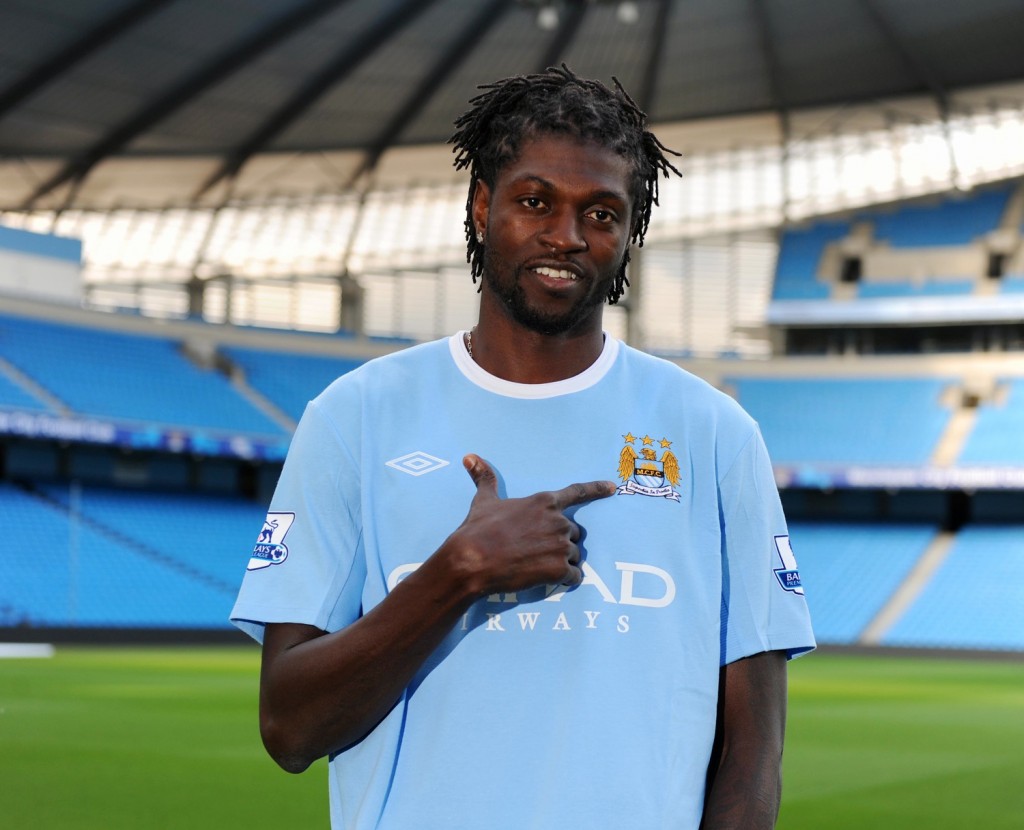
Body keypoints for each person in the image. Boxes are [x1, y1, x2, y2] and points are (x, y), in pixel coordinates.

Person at [230, 65, 815, 830]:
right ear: (482, 207)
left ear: (629, 233)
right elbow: (290, 730)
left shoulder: (713, 433)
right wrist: (456, 574)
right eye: (535, 201)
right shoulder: (354, 417)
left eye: (602, 213)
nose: (566, 236)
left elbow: (751, 755)